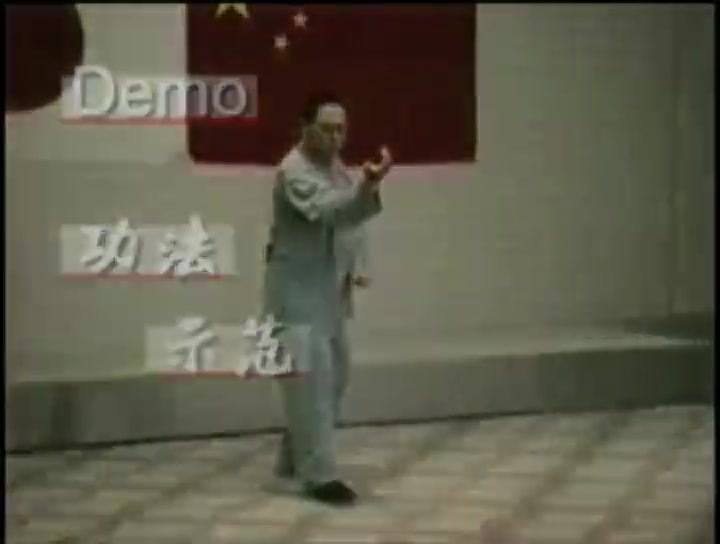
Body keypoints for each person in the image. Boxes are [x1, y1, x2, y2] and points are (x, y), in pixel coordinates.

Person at [262, 91, 392, 506]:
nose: (336, 138)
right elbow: (330, 210)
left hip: (327, 295)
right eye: (327, 129)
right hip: (296, 297)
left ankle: (292, 459)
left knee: (334, 377)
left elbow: (351, 223)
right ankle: (318, 477)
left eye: (341, 130)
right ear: (305, 128)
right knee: (312, 384)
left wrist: (358, 270)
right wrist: (368, 185)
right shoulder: (293, 171)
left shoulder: (334, 168)